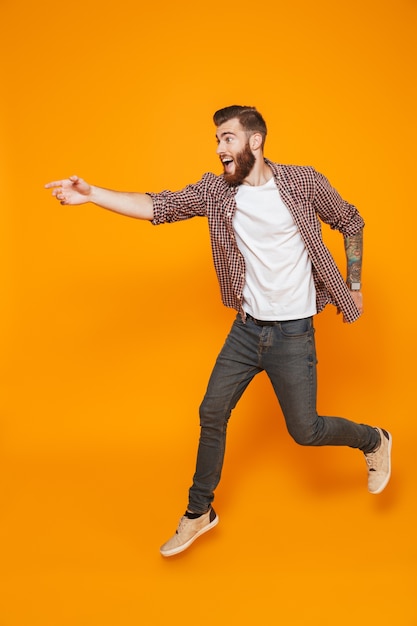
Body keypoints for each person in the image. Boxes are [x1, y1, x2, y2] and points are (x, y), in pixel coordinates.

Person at [45, 105, 392, 558]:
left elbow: (351, 220)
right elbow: (158, 205)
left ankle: (375, 439)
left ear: (255, 141)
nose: (219, 149)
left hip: (292, 334)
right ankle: (198, 513)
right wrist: (93, 195)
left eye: (227, 138)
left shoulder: (304, 182)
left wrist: (356, 283)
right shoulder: (216, 192)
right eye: (216, 140)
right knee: (212, 412)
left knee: (305, 431)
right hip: (246, 331)